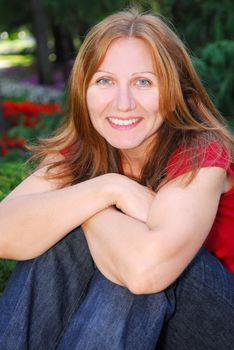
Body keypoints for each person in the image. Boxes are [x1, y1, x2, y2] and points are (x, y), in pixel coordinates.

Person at [0, 7, 234, 350]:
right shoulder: (85, 149)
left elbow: (145, 270)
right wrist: (109, 188)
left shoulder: (201, 152)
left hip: (217, 322)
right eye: (105, 81)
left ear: (173, 92)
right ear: (84, 91)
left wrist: (88, 206)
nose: (123, 103)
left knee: (126, 257)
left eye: (143, 82)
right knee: (79, 236)